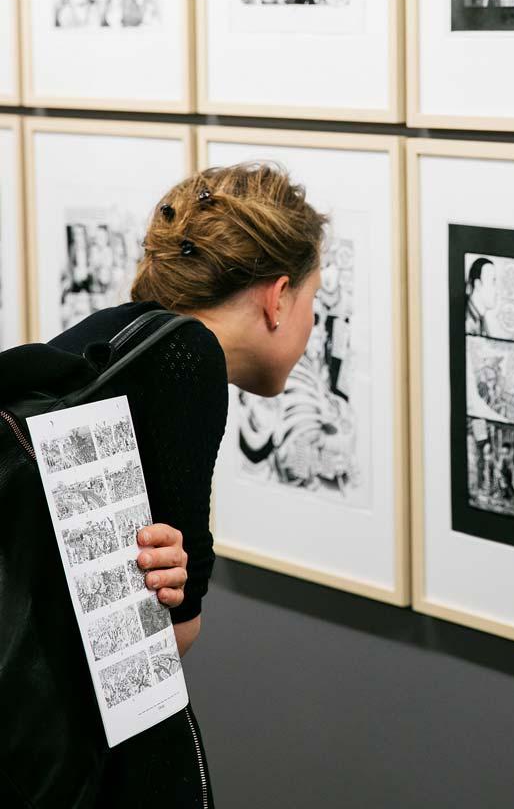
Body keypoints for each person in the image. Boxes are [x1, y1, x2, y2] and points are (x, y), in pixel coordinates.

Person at [50, 161, 327, 807]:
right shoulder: (190, 360)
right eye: (313, 301)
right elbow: (172, 631)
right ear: (278, 297)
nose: (312, 325)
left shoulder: (111, 331)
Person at [465, 256, 498, 335]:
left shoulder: (480, 319)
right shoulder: (468, 324)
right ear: (478, 284)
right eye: (493, 281)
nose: (497, 291)